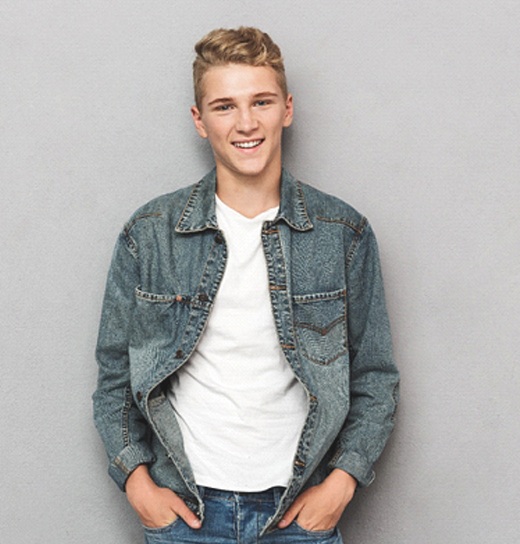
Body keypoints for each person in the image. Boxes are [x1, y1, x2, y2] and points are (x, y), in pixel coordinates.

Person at [93, 26, 399, 544]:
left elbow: (375, 376)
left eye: (261, 101)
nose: (246, 122)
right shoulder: (149, 234)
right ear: (199, 120)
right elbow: (115, 377)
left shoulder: (343, 233)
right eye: (224, 106)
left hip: (298, 511)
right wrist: (137, 483)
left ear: (288, 109)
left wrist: (341, 484)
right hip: (185, 514)